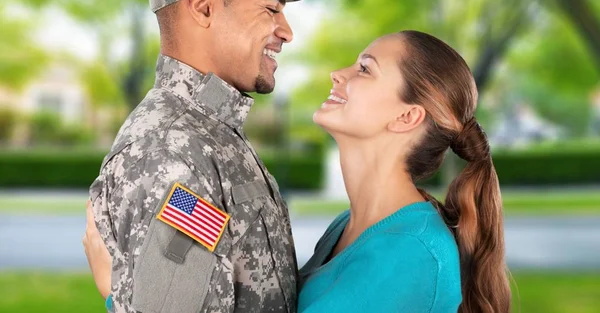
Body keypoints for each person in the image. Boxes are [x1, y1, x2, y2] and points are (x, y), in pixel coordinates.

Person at [86, 30, 512, 312]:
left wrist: (114, 287)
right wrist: (182, 203)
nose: (338, 73)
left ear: (407, 118)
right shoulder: (349, 228)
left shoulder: (411, 256)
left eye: (364, 69)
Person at [86, 0, 322, 313]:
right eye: (270, 8)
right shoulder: (172, 153)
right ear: (205, 8)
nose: (286, 31)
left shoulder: (208, 135)